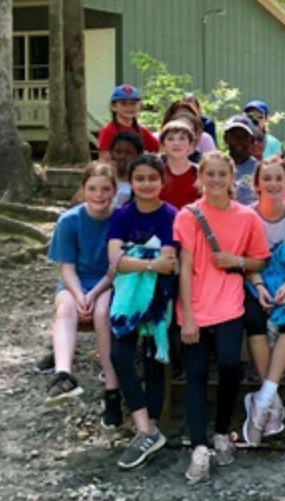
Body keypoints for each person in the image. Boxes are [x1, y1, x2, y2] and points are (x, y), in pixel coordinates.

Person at [174, 151, 271, 483]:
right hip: (195, 305)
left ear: (232, 179)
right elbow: (185, 268)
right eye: (209, 174)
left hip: (229, 303)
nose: (215, 180)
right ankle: (199, 448)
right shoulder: (188, 216)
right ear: (200, 177)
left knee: (230, 364)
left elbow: (260, 260)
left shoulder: (247, 218)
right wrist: (187, 316)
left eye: (221, 174)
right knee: (196, 375)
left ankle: (220, 432)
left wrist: (237, 260)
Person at [106, 154, 179, 469]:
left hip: (160, 300)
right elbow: (115, 260)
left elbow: (170, 260)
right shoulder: (122, 216)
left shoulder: (171, 215)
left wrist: (135, 258)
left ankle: (147, 430)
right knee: (119, 355)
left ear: (162, 181)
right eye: (140, 179)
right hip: (125, 300)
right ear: (131, 182)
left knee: (153, 362)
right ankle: (145, 430)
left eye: (152, 178)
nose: (146, 184)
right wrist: (149, 262)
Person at [240, 157, 285, 446]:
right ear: (257, 184)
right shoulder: (246, 215)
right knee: (255, 317)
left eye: (278, 178)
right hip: (252, 279)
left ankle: (263, 399)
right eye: (266, 179)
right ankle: (273, 402)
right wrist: (259, 287)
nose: (272, 184)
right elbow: (246, 260)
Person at [45, 163, 121, 424]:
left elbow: (116, 268)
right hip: (76, 282)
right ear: (83, 190)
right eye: (92, 189)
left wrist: (94, 293)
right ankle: (64, 375)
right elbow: (66, 267)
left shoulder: (119, 219)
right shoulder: (69, 221)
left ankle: (112, 390)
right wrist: (79, 294)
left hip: (109, 282)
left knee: (102, 313)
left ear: (114, 191)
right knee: (65, 308)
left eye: (105, 189)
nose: (98, 195)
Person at [98, 85, 160, 162]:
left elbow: (160, 149)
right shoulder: (108, 131)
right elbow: (104, 160)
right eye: (124, 104)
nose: (129, 107)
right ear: (113, 106)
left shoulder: (142, 131)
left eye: (133, 103)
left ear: (139, 106)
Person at [158, 120, 200, 210]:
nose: (176, 143)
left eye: (182, 138)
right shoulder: (156, 172)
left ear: (191, 145)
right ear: (163, 145)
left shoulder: (200, 173)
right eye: (170, 139)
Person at [223, 115, 260, 205]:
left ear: (251, 140)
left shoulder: (259, 169)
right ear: (225, 138)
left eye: (244, 136)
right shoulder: (216, 165)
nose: (239, 140)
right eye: (235, 136)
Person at [108, 131, 144, 208]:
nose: (122, 156)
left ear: (139, 155)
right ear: (111, 153)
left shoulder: (143, 178)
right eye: (118, 152)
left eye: (129, 153)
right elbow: (78, 201)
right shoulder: (102, 175)